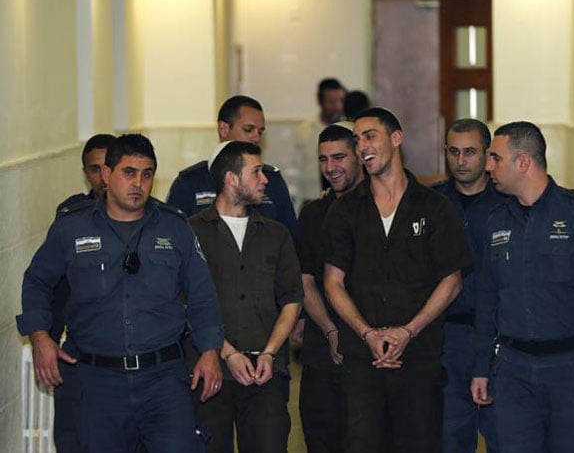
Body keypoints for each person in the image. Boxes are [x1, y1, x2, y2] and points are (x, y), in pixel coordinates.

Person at [17, 134, 224, 453]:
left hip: (163, 380)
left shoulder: (175, 228)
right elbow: (37, 283)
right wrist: (40, 337)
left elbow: (202, 295)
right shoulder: (72, 229)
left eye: (147, 173)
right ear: (106, 174)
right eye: (129, 172)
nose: (139, 183)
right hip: (98, 384)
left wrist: (210, 352)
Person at [323, 107, 473, 452]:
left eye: (370, 136)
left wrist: (408, 331)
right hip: (363, 360)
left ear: (396, 138)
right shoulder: (345, 211)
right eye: (357, 140)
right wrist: (367, 333)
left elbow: (452, 280)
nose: (362, 147)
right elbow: (332, 282)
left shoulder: (434, 207)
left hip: (419, 358)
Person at [471, 121, 574, 452]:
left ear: (523, 162)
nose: (487, 166)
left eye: (495, 158)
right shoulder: (496, 221)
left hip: (571, 372)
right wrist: (481, 368)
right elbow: (486, 302)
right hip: (513, 373)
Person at [188, 141, 302, 453]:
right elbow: (182, 302)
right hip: (211, 372)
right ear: (231, 178)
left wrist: (269, 353)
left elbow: (292, 299)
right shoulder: (190, 232)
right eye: (256, 172)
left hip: (266, 374)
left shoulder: (276, 234)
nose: (265, 179)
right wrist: (227, 353)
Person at [431, 119, 501, 453]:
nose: (461, 161)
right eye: (454, 152)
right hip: (448, 337)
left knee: (507, 436)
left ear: (488, 156)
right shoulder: (430, 204)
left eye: (470, 152)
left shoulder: (509, 203)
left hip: (502, 340)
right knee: (449, 436)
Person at [296, 122, 364, 453]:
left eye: (339, 157)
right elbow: (305, 280)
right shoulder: (312, 214)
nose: (330, 168)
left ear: (360, 157)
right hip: (321, 357)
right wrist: (330, 331)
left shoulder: (381, 209)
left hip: (369, 358)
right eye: (323, 159)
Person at [51, 133, 118, 452]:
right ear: (86, 173)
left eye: (109, 167)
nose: (103, 177)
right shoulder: (70, 217)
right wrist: (47, 339)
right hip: (82, 351)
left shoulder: (153, 217)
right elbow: (53, 285)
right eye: (95, 169)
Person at [166, 95, 297, 234]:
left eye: (260, 132)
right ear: (223, 129)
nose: (256, 137)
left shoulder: (271, 181)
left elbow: (291, 239)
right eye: (248, 129)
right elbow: (171, 238)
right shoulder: (189, 182)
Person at [294, 78, 347, 208]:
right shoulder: (305, 130)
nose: (337, 106)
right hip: (311, 199)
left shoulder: (348, 130)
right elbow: (295, 169)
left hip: (342, 200)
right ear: (320, 102)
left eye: (340, 101)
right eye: (331, 101)